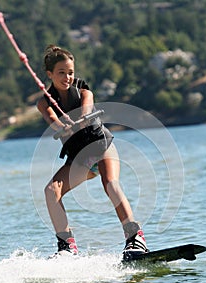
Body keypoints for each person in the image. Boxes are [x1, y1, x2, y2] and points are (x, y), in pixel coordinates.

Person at [37, 45, 149, 258]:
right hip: (78, 158)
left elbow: (87, 109)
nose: (67, 77)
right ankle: (67, 247)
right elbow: (51, 120)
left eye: (70, 72)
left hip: (101, 147)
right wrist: (61, 125)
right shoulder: (44, 102)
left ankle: (136, 239)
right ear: (50, 74)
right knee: (51, 192)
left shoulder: (83, 91)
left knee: (110, 184)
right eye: (61, 73)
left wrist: (78, 119)